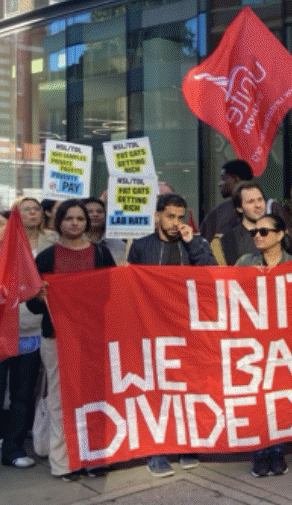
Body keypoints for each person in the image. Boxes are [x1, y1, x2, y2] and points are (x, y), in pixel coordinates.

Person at [126, 193, 216, 476]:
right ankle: (158, 450)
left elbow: (212, 275)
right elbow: (131, 287)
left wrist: (194, 245)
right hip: (152, 329)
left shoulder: (196, 244)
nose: (176, 223)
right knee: (156, 390)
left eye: (180, 217)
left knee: (188, 387)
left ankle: (187, 444)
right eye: (170, 217)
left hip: (186, 328)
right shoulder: (141, 246)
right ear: (157, 217)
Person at [27, 199, 117, 481]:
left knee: (95, 397)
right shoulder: (46, 258)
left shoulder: (101, 254)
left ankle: (94, 457)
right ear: (59, 222)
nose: (75, 223)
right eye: (69, 218)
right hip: (56, 339)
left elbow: (113, 295)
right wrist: (40, 297)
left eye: (80, 218)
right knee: (60, 400)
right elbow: (32, 304)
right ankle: (64, 462)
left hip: (93, 339)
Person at [233, 213, 292, 477]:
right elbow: (227, 294)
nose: (257, 236)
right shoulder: (245, 262)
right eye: (254, 232)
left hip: (284, 344)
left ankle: (277, 450)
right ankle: (260, 451)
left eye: (264, 232)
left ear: (281, 235)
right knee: (258, 397)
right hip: (254, 342)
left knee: (279, 397)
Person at [0, 210, 39, 470]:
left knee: (22, 396)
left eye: (1, 224)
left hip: (28, 336)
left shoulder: (28, 259)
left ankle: (13, 449)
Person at [212, 181, 281, 265]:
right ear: (239, 208)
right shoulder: (229, 238)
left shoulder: (277, 232)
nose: (258, 205)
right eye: (251, 202)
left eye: (260, 199)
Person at [199, 159, 254, 242]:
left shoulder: (220, 212)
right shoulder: (218, 212)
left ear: (236, 180)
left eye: (223, 178)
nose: (219, 184)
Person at [83, 197, 128, 264]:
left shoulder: (119, 245)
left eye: (99, 212)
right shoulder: (71, 242)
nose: (95, 214)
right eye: (90, 212)